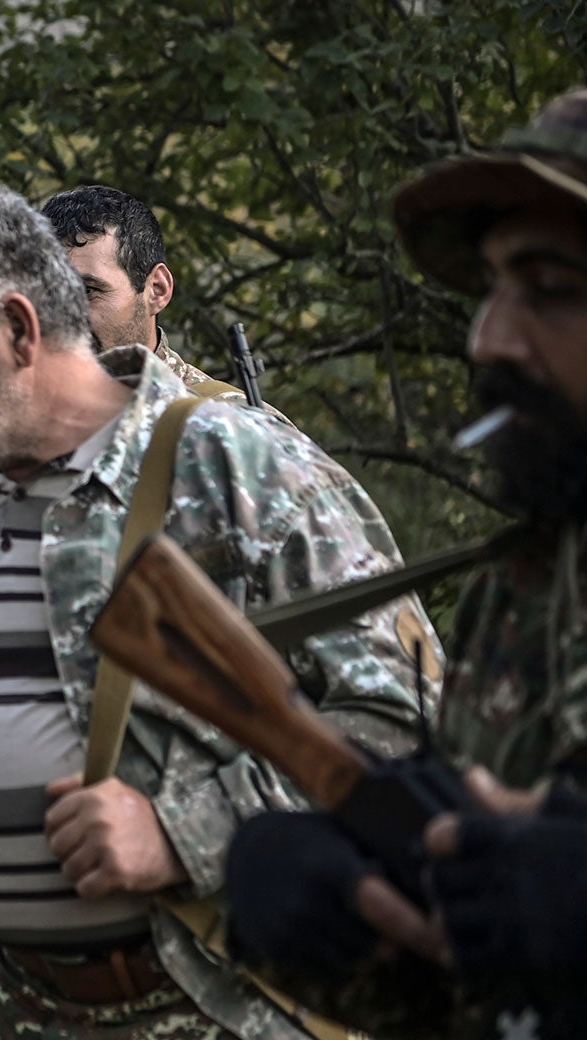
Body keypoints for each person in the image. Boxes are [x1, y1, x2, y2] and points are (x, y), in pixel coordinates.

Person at [0, 182, 439, 1039]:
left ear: (17, 330)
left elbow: (410, 719)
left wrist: (180, 831)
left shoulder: (234, 463)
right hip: (24, 1011)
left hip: (217, 1006)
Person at [223, 86, 587, 1040]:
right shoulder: (525, 586)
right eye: (492, 290)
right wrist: (331, 903)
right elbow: (471, 968)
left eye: (551, 288)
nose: (488, 338)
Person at [41, 185, 248, 396]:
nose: (61, 317)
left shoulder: (224, 421)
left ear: (157, 290)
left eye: (87, 291)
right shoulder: (23, 410)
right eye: (46, 295)